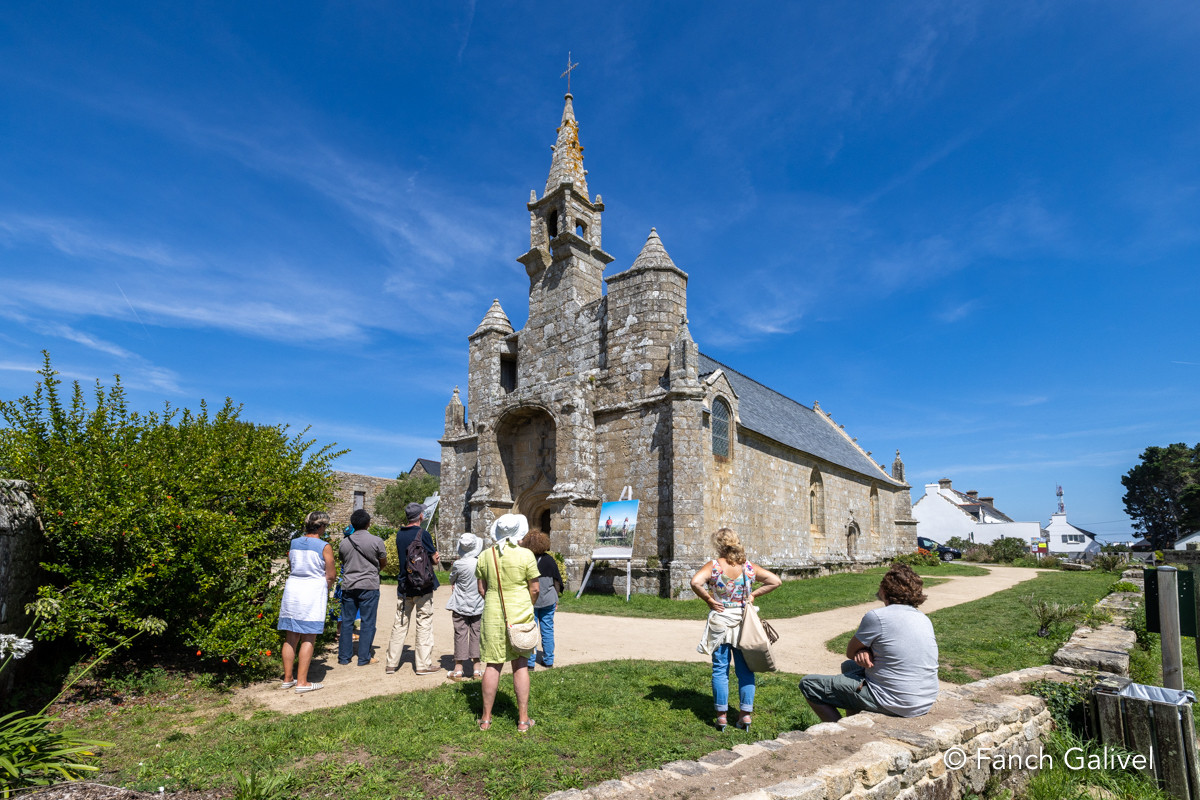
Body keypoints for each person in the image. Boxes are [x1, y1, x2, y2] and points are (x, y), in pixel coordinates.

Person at [800, 563, 939, 721]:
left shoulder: (878, 617)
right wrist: (864, 651)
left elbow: (850, 651)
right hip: (925, 699)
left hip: (897, 701)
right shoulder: (923, 618)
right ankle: (853, 720)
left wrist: (862, 650)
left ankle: (839, 728)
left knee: (809, 685)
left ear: (885, 590)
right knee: (849, 666)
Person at [690, 527, 782, 732]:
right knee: (746, 670)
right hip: (743, 623)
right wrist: (753, 595)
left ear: (719, 545)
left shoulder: (714, 566)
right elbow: (775, 581)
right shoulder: (748, 567)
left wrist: (709, 599)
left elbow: (695, 582)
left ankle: (721, 717)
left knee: (720, 670)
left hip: (721, 621)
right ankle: (745, 715)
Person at [475, 513, 541, 732]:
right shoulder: (526, 555)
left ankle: (485, 718)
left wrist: (495, 603)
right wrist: (528, 605)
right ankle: (523, 719)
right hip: (520, 613)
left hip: (494, 614)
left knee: (492, 665)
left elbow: (482, 588)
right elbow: (535, 588)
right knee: (521, 664)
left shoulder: (485, 555)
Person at [277, 511, 336, 693]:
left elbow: (291, 564)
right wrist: (327, 584)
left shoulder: (294, 542)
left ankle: (288, 678)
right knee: (309, 635)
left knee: (291, 635)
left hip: (293, 590)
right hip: (311, 591)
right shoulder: (324, 546)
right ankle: (302, 682)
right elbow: (331, 574)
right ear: (320, 527)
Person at [384, 502, 441, 676]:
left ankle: (391, 664)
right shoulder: (423, 534)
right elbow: (434, 559)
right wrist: (436, 557)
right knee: (424, 623)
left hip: (404, 585)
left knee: (400, 623)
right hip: (422, 586)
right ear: (420, 517)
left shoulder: (399, 534)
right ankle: (423, 665)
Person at [337, 508, 387, 667]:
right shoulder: (376, 541)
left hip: (349, 585)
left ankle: (344, 657)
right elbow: (382, 561)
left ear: (352, 524)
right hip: (369, 585)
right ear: (368, 523)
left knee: (347, 622)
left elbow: (343, 561)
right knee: (368, 622)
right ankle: (364, 657)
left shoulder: (344, 542)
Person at [446, 533, 485, 681]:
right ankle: (477, 669)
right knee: (477, 633)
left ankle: (458, 669)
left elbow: (452, 579)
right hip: (478, 603)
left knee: (460, 633)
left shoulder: (458, 564)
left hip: (461, 603)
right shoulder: (480, 562)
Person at [522, 530, 563, 670]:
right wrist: (556, 598)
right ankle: (548, 660)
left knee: (531, 630)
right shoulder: (550, 560)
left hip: (531, 600)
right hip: (548, 599)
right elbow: (557, 581)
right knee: (548, 629)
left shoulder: (526, 559)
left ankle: (530, 662)